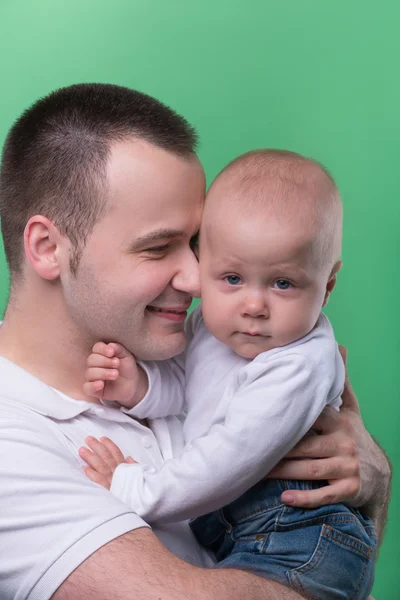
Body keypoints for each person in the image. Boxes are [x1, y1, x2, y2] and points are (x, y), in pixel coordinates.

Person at [0, 83, 390, 600]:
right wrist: (377, 494)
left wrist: (373, 483)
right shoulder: (12, 444)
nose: (195, 277)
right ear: (48, 248)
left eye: (197, 245)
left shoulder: (210, 356)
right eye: (159, 247)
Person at [79, 150, 375, 599]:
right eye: (232, 278)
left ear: (327, 285)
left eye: (282, 284)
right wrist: (139, 386)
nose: (253, 306)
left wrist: (136, 488)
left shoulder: (299, 364)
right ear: (205, 269)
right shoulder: (213, 327)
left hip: (298, 538)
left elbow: (228, 458)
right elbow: (190, 387)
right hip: (241, 528)